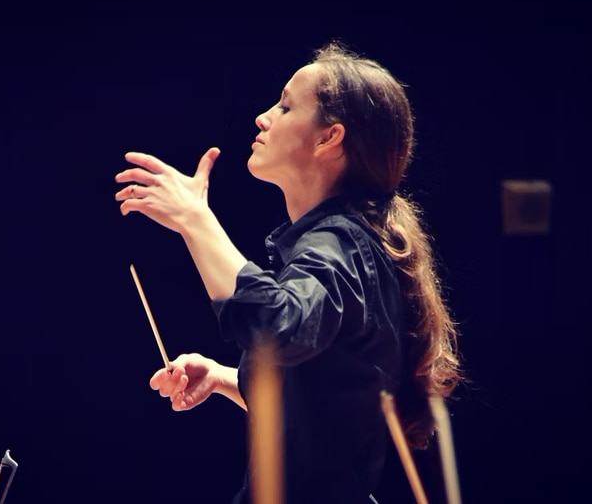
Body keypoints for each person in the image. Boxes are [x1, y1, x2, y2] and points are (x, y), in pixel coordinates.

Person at [114, 41, 462, 503]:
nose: (263, 117)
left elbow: (277, 326)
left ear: (327, 138)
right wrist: (223, 378)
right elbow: (323, 409)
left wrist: (196, 220)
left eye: (285, 106)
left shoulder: (342, 243)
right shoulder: (351, 240)